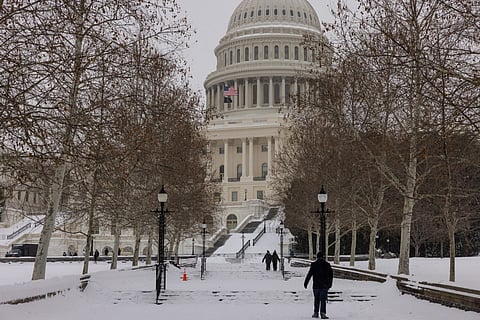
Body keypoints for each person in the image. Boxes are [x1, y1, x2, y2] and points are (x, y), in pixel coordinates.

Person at [304, 252, 333, 319]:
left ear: (317, 257)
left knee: (316, 299)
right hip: (324, 285)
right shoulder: (327, 264)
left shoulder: (314, 264)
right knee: (323, 300)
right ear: (323, 257)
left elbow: (309, 274)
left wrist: (306, 283)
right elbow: (331, 275)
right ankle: (323, 313)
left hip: (316, 285)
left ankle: (316, 313)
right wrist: (329, 284)